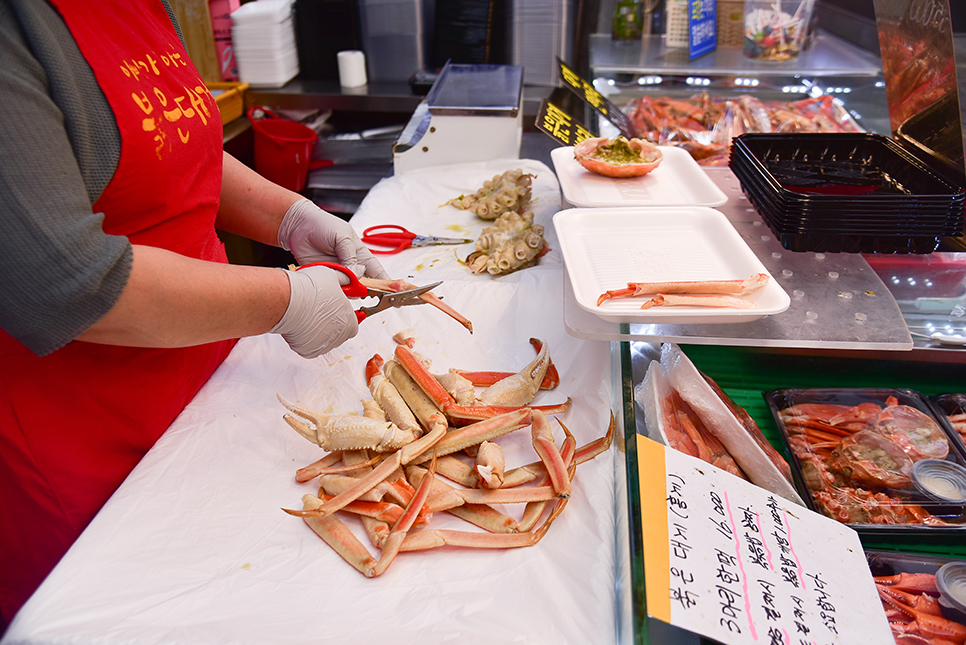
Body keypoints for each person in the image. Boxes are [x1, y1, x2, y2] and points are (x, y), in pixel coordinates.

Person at [0, 0, 389, 627]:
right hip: (85, 435)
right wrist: (285, 299)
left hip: (215, 383)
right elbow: (64, 283)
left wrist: (288, 215)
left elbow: (182, 151)